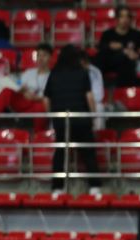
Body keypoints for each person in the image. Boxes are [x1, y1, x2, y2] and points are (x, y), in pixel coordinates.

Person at [44, 45, 102, 193]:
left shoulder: (54, 73)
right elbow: (89, 97)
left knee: (60, 152)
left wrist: (51, 115)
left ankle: (57, 187)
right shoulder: (82, 72)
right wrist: (93, 116)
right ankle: (94, 187)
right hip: (81, 118)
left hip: (61, 119)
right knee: (88, 152)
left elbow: (46, 99)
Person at [95, 6, 140, 87]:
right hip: (109, 62)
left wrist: (138, 54)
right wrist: (110, 46)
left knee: (126, 62)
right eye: (122, 16)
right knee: (99, 59)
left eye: (127, 17)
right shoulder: (108, 34)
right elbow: (100, 48)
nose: (125, 20)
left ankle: (124, 94)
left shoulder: (136, 35)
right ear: (117, 19)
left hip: (126, 65)